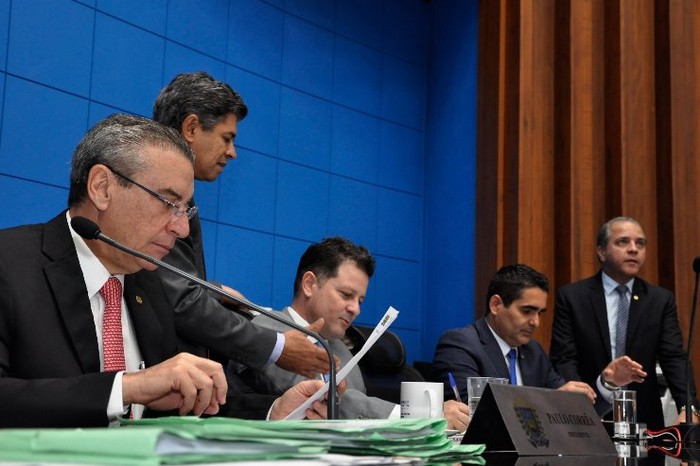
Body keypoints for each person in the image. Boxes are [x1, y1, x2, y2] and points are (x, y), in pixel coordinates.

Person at [0, 114, 332, 428]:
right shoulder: (9, 263)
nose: (181, 228)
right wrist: (126, 387)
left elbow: (178, 404)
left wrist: (274, 412)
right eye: (168, 203)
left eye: (186, 210)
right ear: (102, 188)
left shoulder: (148, 282)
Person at [151, 72, 329, 380]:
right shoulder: (157, 190)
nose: (232, 152)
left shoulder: (171, 188)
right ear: (191, 128)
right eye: (227, 138)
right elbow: (179, 301)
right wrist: (277, 347)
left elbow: (162, 279)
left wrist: (214, 290)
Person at [231, 237, 470, 431]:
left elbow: (355, 414)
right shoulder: (267, 330)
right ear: (309, 284)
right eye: (346, 295)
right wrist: (422, 414)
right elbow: (319, 398)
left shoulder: (341, 349)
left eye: (360, 300)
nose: (356, 309)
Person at [550, 216, 699, 429]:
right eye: (623, 242)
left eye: (640, 243)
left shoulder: (659, 300)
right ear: (602, 251)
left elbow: (673, 357)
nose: (633, 249)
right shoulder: (573, 297)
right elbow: (564, 358)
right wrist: (580, 404)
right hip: (588, 415)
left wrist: (689, 407)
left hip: (644, 419)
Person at [432, 264, 597, 407]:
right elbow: (472, 408)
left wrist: (602, 385)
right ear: (496, 305)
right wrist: (550, 401)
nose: (536, 322)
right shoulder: (460, 345)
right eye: (527, 311)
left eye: (540, 313)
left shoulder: (534, 352)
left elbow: (562, 396)